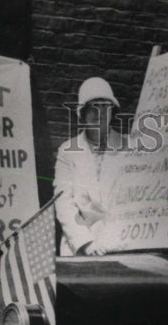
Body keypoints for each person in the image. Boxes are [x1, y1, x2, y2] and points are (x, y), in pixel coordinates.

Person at [53, 77, 127, 256]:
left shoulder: (130, 148)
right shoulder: (67, 151)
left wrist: (116, 241)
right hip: (79, 250)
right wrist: (85, 243)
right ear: (83, 113)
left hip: (122, 247)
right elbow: (63, 203)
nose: (99, 112)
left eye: (104, 106)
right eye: (93, 106)